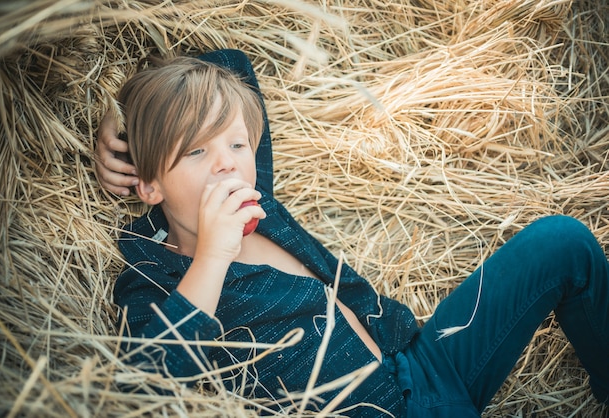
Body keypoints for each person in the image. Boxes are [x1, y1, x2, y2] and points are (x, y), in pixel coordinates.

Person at [98, 49, 609, 417]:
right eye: (195, 152)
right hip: (386, 413)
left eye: (236, 145)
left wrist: (119, 122)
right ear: (149, 185)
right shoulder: (155, 276)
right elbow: (148, 384)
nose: (226, 167)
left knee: (562, 242)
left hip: (416, 363)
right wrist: (210, 256)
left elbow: (231, 70)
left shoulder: (261, 204)